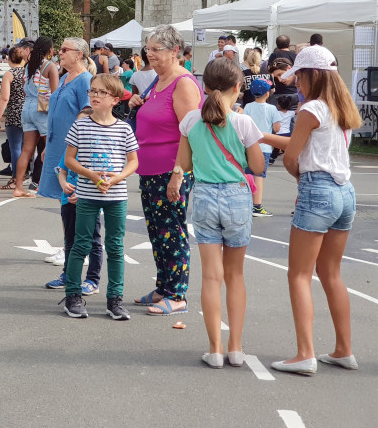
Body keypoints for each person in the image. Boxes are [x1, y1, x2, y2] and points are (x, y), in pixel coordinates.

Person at [272, 46, 362, 375]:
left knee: (299, 274)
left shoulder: (311, 108)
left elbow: (292, 157)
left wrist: (300, 181)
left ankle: (305, 354)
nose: (296, 84)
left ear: (312, 75)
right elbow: (307, 145)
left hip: (318, 189)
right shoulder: (342, 108)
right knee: (331, 273)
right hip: (345, 192)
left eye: (299, 77)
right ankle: (343, 349)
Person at [177, 58, 265, 368]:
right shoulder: (243, 123)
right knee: (235, 275)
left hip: (202, 195)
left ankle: (214, 349)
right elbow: (257, 167)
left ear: (203, 87)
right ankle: (236, 348)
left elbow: (185, 164)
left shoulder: (190, 121)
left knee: (211, 277)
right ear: (238, 88)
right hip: (236, 197)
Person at [127, 25, 203, 315]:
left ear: (175, 52)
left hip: (171, 169)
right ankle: (164, 286)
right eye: (147, 49)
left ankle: (177, 293)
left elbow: (190, 132)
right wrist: (137, 103)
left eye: (155, 49)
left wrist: (178, 172)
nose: (149, 54)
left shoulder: (182, 83)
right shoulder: (157, 81)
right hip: (150, 169)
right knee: (157, 230)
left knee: (172, 230)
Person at [61, 74, 139, 320]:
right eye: (92, 91)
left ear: (115, 99)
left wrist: (115, 179)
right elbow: (69, 159)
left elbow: (133, 162)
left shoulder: (124, 128)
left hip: (116, 196)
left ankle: (114, 299)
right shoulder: (80, 125)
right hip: (87, 194)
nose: (95, 95)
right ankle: (73, 295)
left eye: (101, 92)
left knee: (115, 247)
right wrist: (92, 176)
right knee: (81, 244)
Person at [37, 38, 100, 292]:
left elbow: (87, 114)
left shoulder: (84, 80)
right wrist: (49, 150)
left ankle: (87, 275)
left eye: (64, 50)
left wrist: (69, 151)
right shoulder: (64, 78)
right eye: (60, 50)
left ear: (80, 55)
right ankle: (69, 269)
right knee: (67, 210)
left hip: (74, 154)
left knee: (82, 213)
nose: (59, 54)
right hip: (59, 150)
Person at [9, 36, 57, 198]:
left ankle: (19, 187)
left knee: (26, 150)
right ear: (49, 50)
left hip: (27, 106)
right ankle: (47, 185)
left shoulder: (29, 66)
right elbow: (55, 92)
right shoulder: (49, 66)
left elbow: (24, 89)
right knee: (49, 147)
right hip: (43, 107)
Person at [243, 78, 283, 217]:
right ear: (267, 93)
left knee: (248, 174)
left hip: (248, 146)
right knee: (259, 176)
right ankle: (257, 206)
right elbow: (277, 128)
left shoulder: (248, 107)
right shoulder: (272, 108)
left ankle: (246, 203)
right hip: (264, 147)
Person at [0, 47, 26, 188]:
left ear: (9, 58)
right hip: (28, 112)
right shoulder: (27, 73)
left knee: (15, 147)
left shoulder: (9, 74)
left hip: (14, 113)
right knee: (26, 147)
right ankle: (25, 175)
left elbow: (4, 98)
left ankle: (15, 179)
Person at [270, 94, 298, 164]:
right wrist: (300, 104)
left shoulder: (276, 113)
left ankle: (272, 158)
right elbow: (297, 111)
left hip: (279, 133)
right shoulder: (290, 113)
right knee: (285, 147)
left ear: (278, 105)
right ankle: (292, 158)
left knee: (277, 147)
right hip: (287, 133)